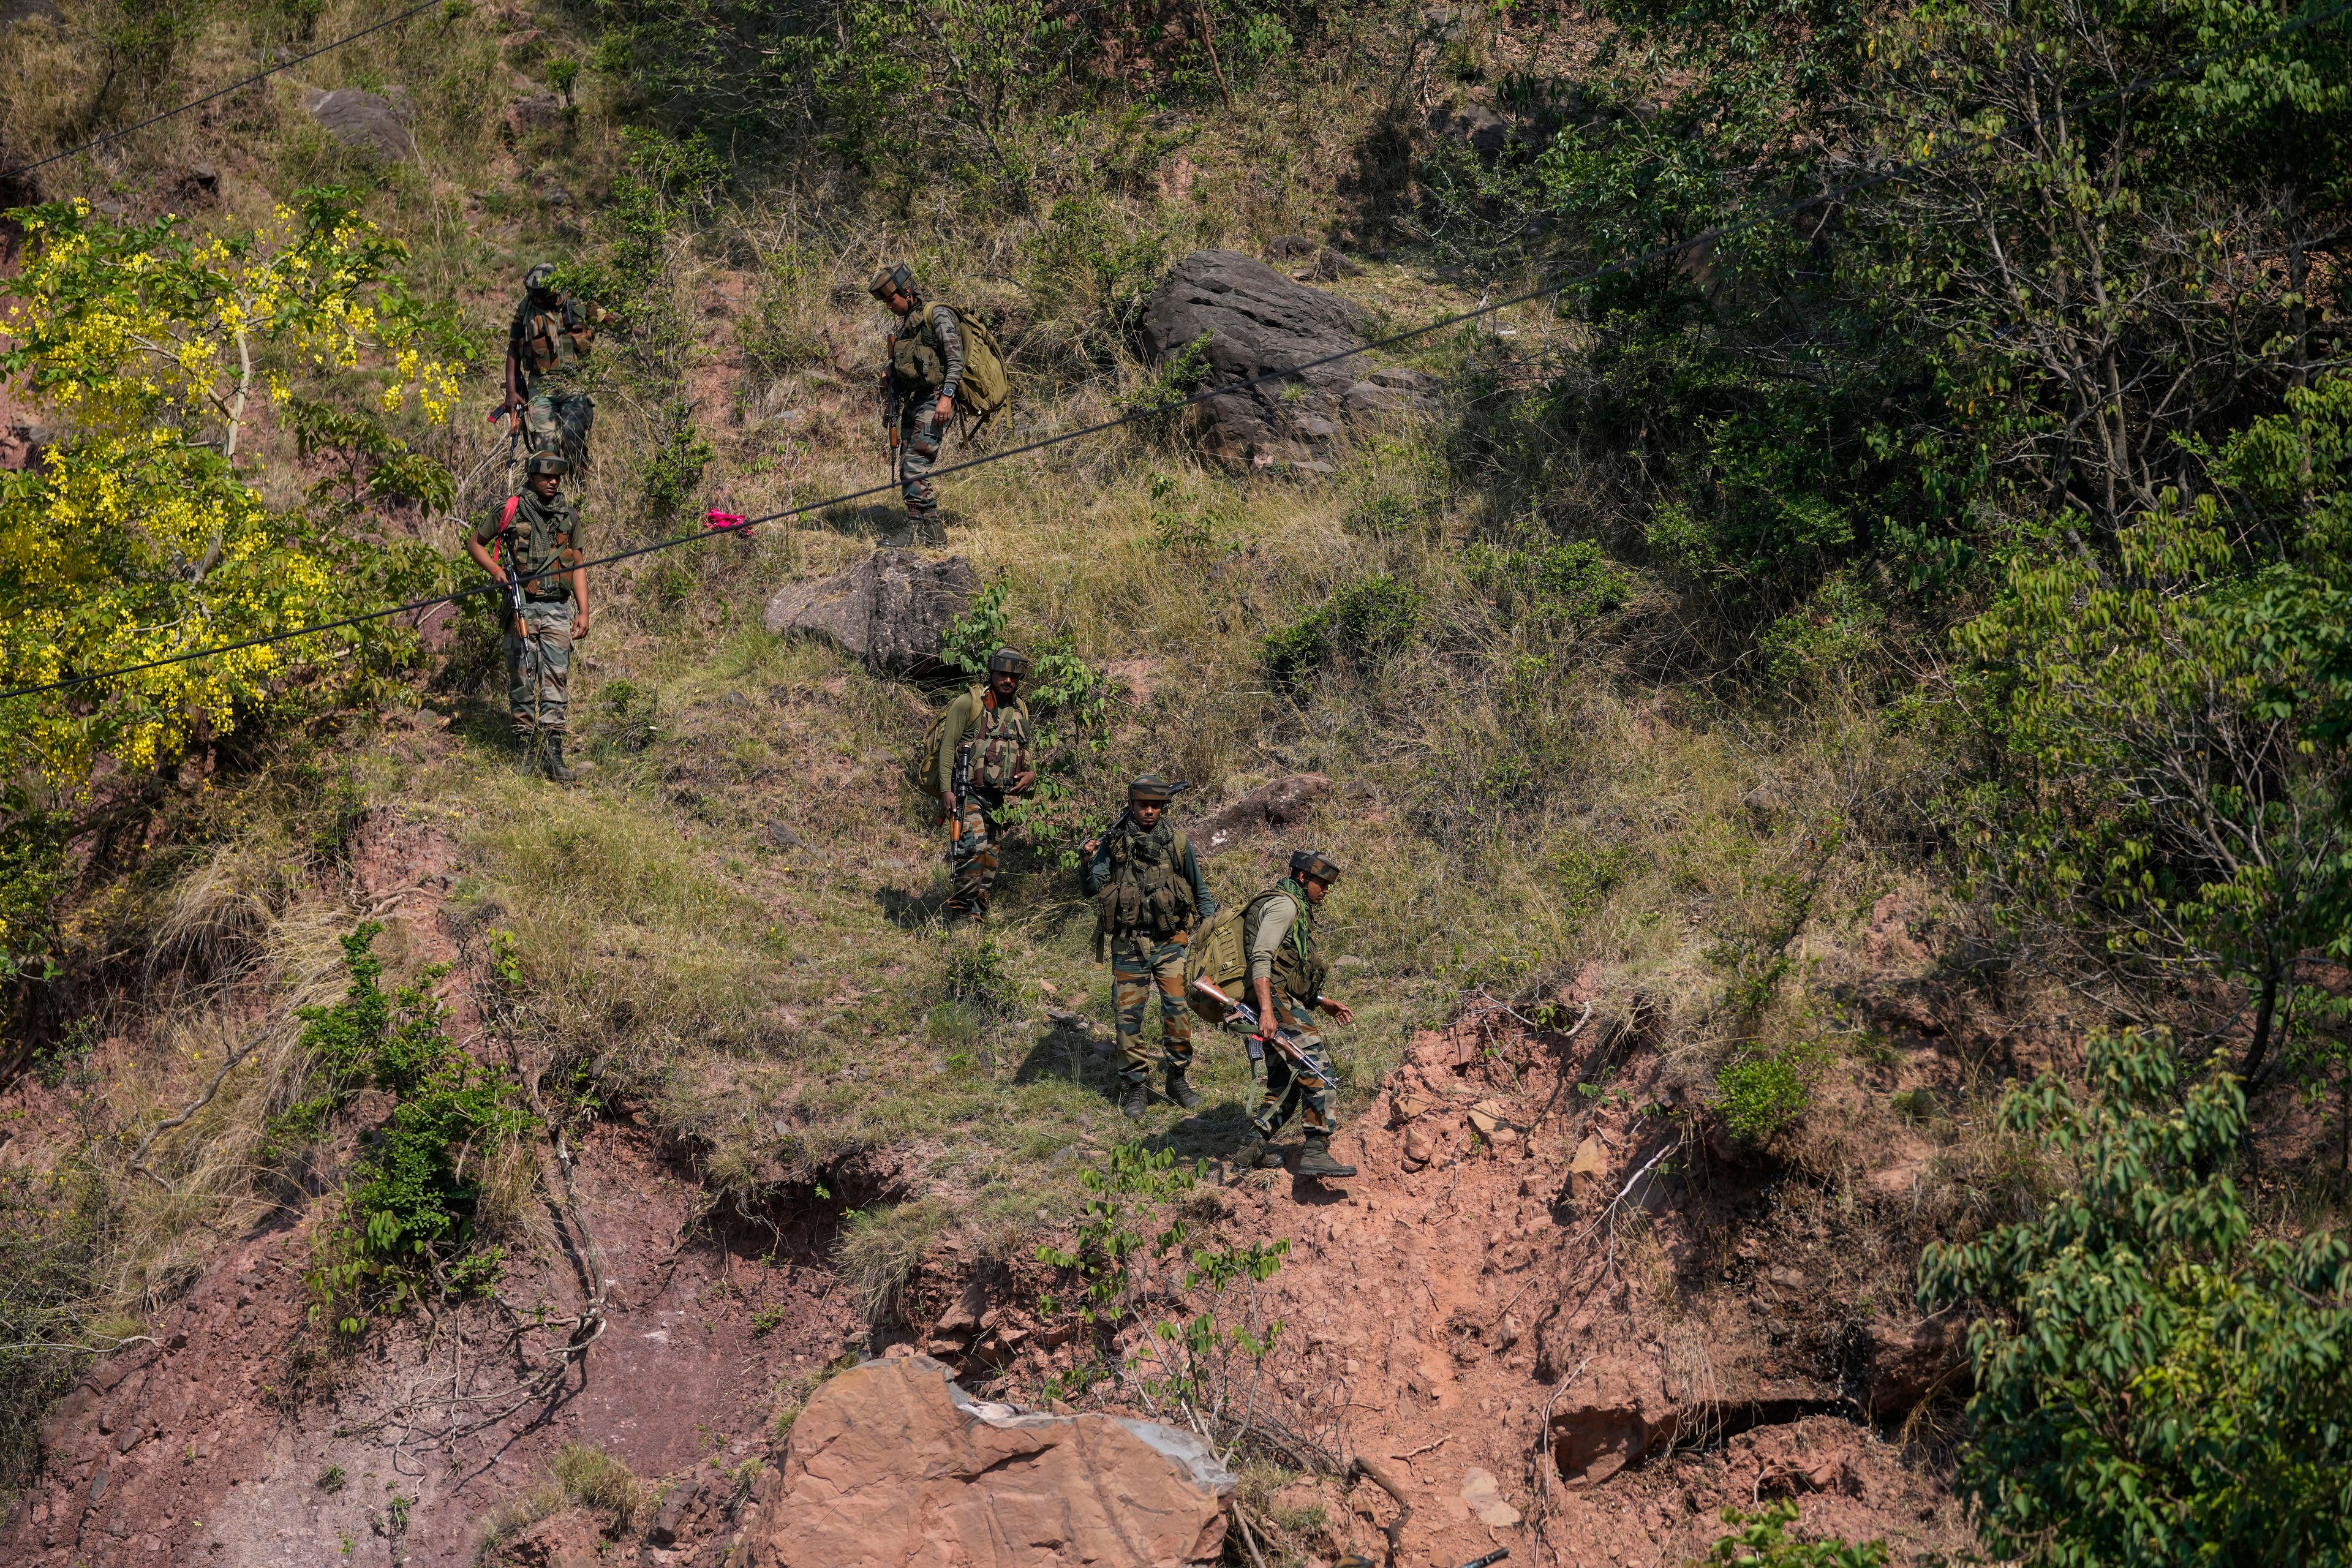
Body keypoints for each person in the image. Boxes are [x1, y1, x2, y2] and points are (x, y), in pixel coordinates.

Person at [1085, 776, 1218, 1120]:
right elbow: (1092, 887)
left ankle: (1177, 1078)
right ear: (1130, 805)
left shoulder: (1176, 843)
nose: (1149, 811)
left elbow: (1200, 892)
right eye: (1143, 805)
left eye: (1155, 806)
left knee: (1177, 1010)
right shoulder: (1113, 844)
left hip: (1170, 942)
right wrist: (1088, 860)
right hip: (1129, 943)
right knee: (1127, 1018)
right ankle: (1136, 1087)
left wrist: (1211, 933)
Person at [466, 452, 592, 782]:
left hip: (555, 609)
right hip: (521, 605)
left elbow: (577, 564)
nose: (552, 483)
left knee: (555, 678)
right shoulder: (510, 510)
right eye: (546, 477)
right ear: (532, 477)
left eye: (557, 478)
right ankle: (523, 748)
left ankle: (553, 751)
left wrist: (583, 610)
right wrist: (495, 570)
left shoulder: (567, 515)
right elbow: (475, 543)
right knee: (521, 677)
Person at [1238, 851, 1357, 1178]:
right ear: (1303, 878)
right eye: (1322, 882)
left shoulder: (1293, 905)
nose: (1327, 889)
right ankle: (1317, 1150)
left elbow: (1287, 969)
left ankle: (1251, 1147)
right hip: (1271, 1003)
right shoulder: (1286, 905)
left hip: (1274, 1000)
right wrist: (1266, 1011)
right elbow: (1262, 957)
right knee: (1317, 1069)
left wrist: (1320, 1000)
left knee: (1286, 1082)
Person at [935, 648, 1035, 921]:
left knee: (990, 860)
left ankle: (977, 919)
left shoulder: (1020, 709)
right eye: (1003, 674)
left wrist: (1031, 774)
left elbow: (1025, 750)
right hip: (968, 794)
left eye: (1014, 676)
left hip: (998, 799)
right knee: (974, 849)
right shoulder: (969, 703)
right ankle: (960, 916)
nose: (1008, 680)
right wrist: (946, 790)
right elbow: (947, 748)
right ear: (992, 672)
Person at [870, 263, 963, 538]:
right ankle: (931, 529)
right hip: (914, 401)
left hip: (935, 400)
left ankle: (915, 530)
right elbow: (910, 358)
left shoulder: (938, 315)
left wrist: (946, 398)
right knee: (907, 464)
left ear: (907, 292)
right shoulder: (909, 324)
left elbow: (955, 361)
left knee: (914, 463)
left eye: (891, 300)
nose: (889, 306)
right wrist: (890, 369)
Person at [503, 262, 611, 471]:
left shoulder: (579, 301)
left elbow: (607, 318)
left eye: (541, 295)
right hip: (541, 385)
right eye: (533, 294)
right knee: (545, 447)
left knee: (574, 438)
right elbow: (514, 349)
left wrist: (637, 329)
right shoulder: (526, 309)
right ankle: (550, 498)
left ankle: (578, 487)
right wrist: (511, 391)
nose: (537, 299)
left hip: (574, 382)